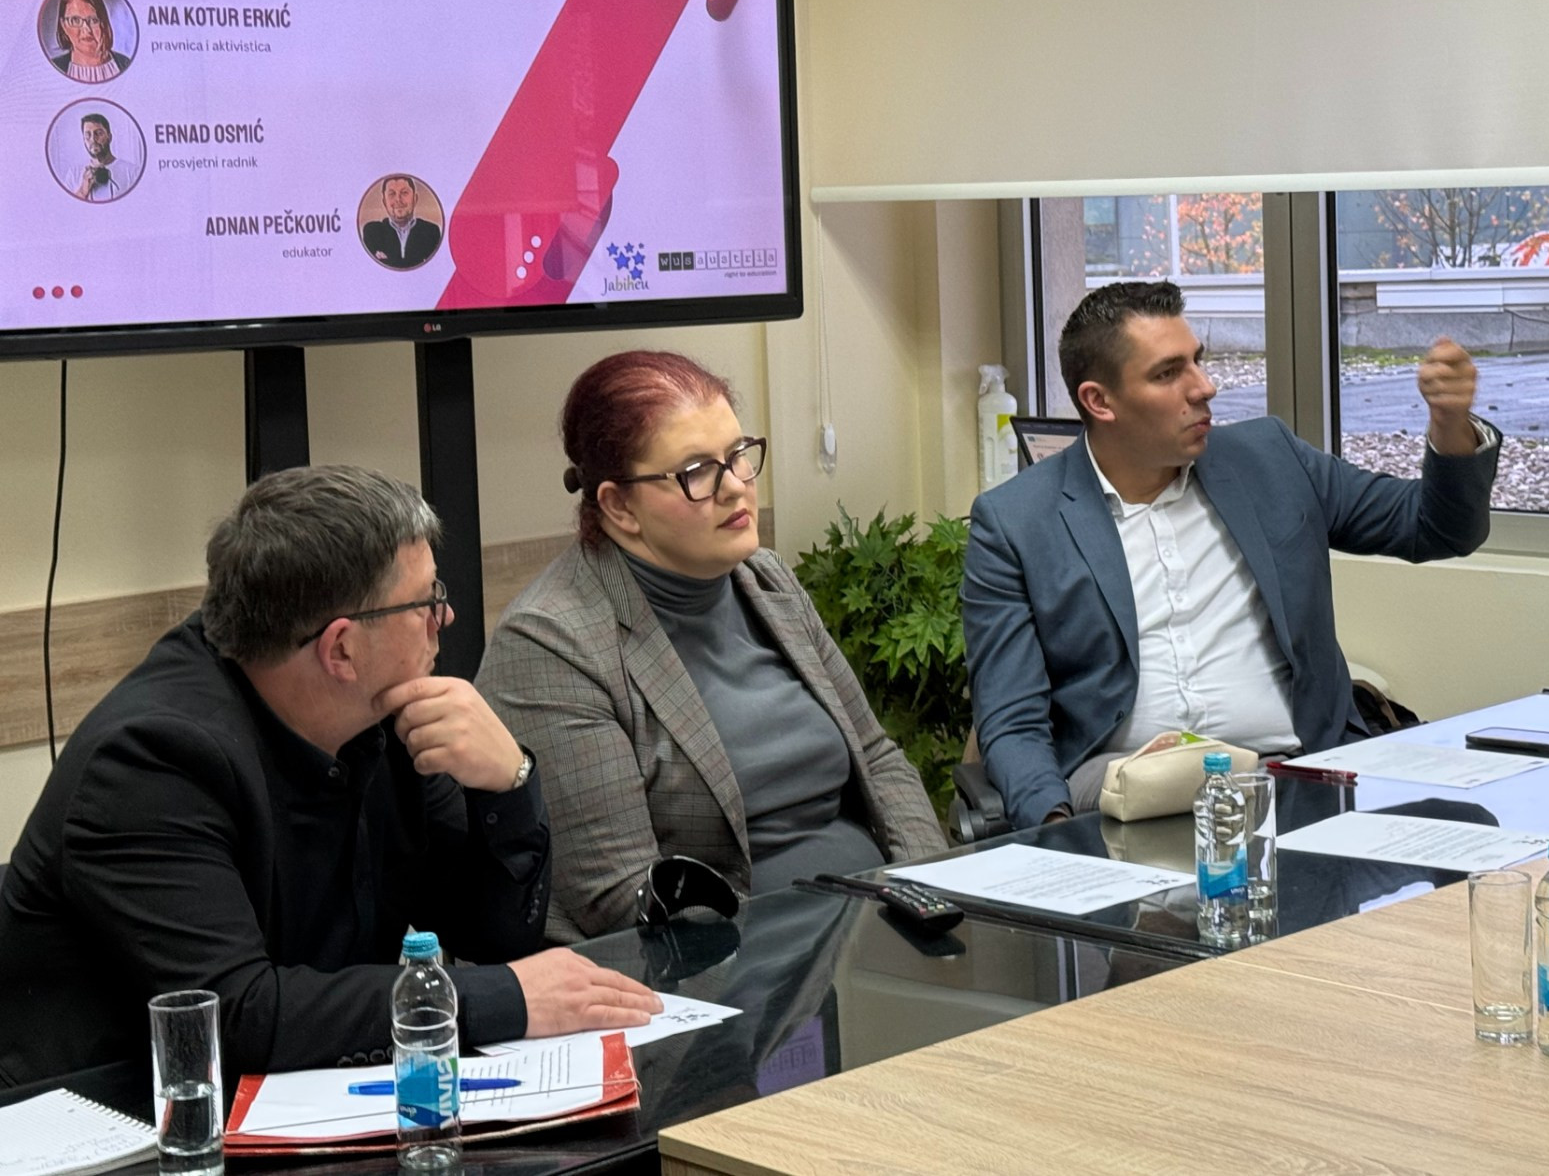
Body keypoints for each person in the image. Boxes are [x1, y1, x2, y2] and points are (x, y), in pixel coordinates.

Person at [0, 465, 662, 1087]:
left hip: (309, 1099)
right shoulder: (152, 761)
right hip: (126, 1122)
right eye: (426, 600)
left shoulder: (386, 714)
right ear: (342, 648)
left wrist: (506, 785)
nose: (445, 618)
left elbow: (491, 938)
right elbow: (237, 1013)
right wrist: (504, 1000)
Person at [961, 280, 1502, 831]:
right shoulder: (1016, 522)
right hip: (1124, 800)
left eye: (1197, 361)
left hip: (1296, 779)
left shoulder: (1269, 461)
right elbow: (1013, 723)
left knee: (1478, 840)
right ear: (1100, 402)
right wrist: (1057, 836)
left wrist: (1450, 426)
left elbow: (1439, 529)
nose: (1205, 387)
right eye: (1168, 373)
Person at [478, 351, 945, 941]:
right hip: (736, 958)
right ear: (619, 506)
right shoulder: (552, 642)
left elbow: (876, 759)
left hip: (875, 930)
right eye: (697, 471)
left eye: (738, 455)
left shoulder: (768, 580)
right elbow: (622, 898)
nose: (736, 488)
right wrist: (801, 946)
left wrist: (931, 890)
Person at [49, 0, 132, 82]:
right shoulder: (52, 68)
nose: (86, 29)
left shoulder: (126, 64)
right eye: (75, 20)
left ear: (103, 23)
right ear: (63, 25)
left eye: (93, 20)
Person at [360, 174, 443, 269]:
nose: (398, 200)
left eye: (404, 193)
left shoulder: (431, 232)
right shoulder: (372, 232)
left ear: (415, 198)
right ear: (384, 202)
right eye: (392, 194)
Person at [63, 111, 141, 202]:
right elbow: (66, 208)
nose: (93, 139)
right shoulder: (73, 174)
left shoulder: (132, 172)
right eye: (88, 135)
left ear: (109, 137)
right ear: (84, 140)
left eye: (99, 133)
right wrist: (83, 191)